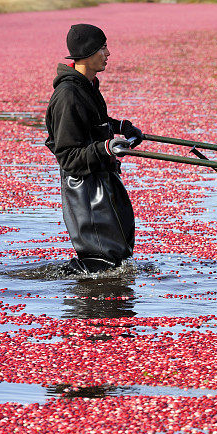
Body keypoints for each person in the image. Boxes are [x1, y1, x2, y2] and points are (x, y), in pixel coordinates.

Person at [45, 24, 144, 274]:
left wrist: (121, 127)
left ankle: (108, 303)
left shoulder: (87, 86)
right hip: (85, 188)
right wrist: (107, 148)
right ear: (88, 53)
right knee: (101, 260)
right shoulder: (68, 95)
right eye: (103, 47)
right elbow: (68, 156)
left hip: (103, 177)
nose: (108, 53)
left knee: (118, 251)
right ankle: (94, 308)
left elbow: (94, 125)